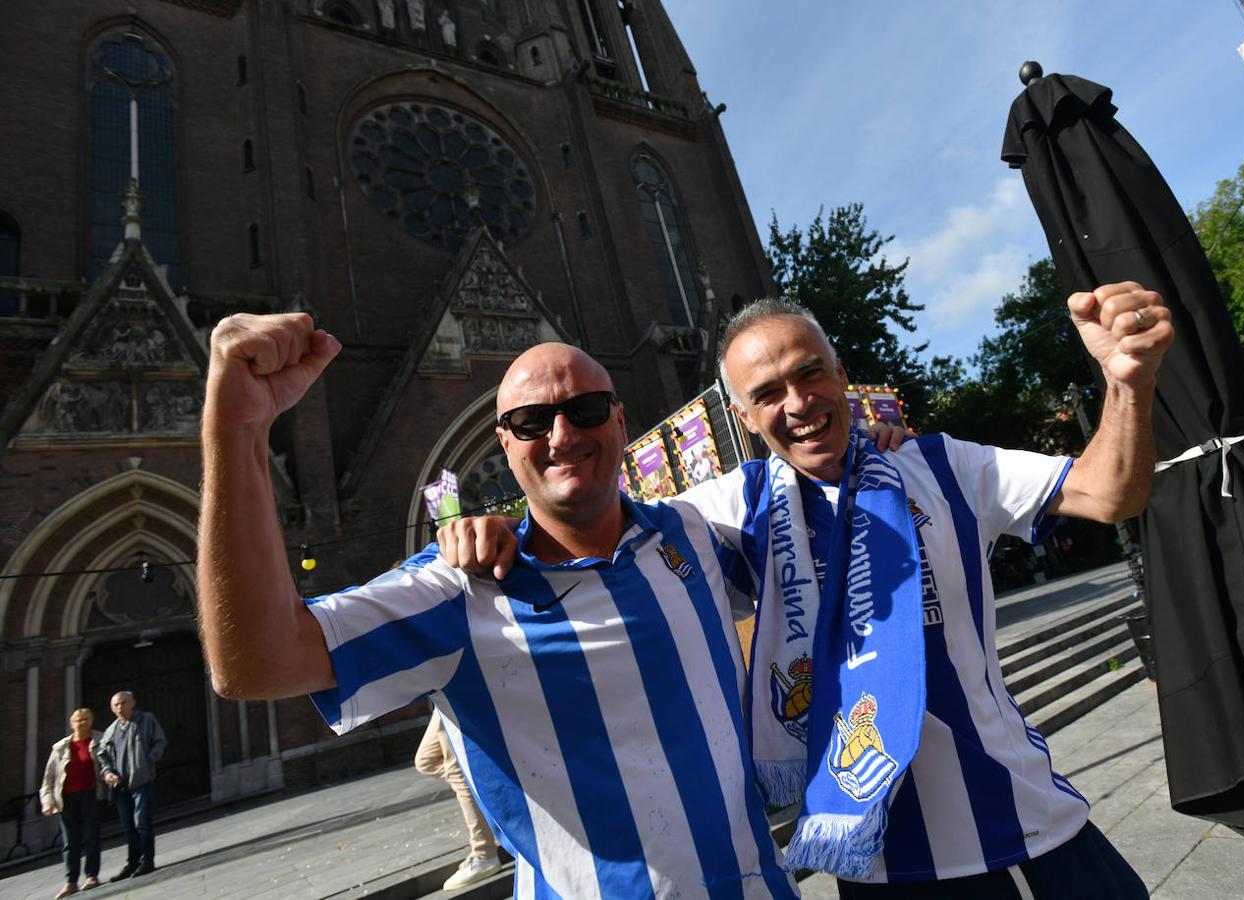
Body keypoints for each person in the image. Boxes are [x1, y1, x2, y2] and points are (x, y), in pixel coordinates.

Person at [442, 283, 1173, 898]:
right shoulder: (728, 511)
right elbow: (601, 535)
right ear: (741, 416)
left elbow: (1112, 493)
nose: (797, 402)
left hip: (1031, 831)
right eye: (767, 393)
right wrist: (500, 533)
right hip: (877, 866)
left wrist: (1127, 382)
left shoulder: (943, 466)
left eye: (810, 373)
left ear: (840, 371)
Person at [195, 314, 803, 897]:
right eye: (533, 421)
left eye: (586, 411)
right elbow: (255, 663)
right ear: (505, 443)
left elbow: (824, 485)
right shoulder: (461, 590)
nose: (562, 436)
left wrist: (887, 446)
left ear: (619, 422)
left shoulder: (695, 532)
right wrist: (236, 430)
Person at [413, 708, 503, 890]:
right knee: (426, 761)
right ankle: (492, 798)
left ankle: (484, 853)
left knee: (457, 772)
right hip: (437, 696)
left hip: (448, 690)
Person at [96, 690, 166, 881]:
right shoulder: (111, 730)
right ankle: (132, 862)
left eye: (123, 703)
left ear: (132, 703)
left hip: (141, 781)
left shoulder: (146, 720)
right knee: (128, 827)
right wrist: (107, 772)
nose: (120, 707)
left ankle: (147, 861)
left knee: (141, 822)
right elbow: (102, 755)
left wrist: (148, 760)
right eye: (116, 705)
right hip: (120, 786)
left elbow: (159, 741)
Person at [40, 708, 105, 898]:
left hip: (90, 795)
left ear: (91, 721)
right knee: (70, 841)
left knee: (91, 836)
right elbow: (48, 779)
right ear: (71, 723)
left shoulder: (100, 740)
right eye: (78, 720)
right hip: (67, 799)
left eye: (85, 719)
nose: (82, 723)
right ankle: (71, 881)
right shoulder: (60, 747)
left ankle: (92, 876)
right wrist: (47, 802)